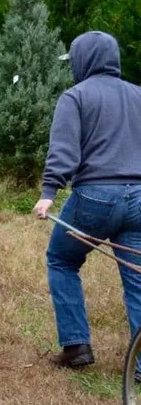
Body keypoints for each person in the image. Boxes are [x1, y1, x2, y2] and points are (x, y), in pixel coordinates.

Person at [33, 31, 141, 370]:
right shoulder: (139, 95)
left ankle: (77, 346)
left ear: (84, 60)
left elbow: (64, 151)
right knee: (137, 278)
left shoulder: (75, 97)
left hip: (95, 198)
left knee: (61, 260)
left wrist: (48, 193)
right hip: (139, 200)